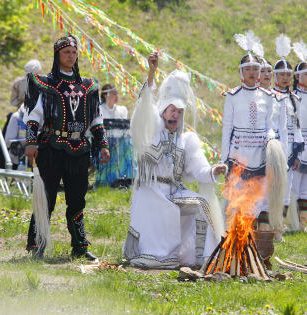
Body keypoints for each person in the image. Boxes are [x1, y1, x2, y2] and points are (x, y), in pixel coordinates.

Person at [123, 52, 227, 269]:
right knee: (168, 209)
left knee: (201, 204)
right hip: (150, 190)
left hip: (173, 189)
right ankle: (157, 255)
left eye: (180, 112)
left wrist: (212, 170)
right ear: (163, 110)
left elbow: (199, 169)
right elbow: (143, 107)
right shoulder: (153, 126)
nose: (176, 115)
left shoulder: (186, 139)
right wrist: (151, 74)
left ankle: (202, 258)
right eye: (172, 110)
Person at [23, 35, 110, 260]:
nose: (71, 56)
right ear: (57, 55)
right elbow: (34, 116)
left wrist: (102, 144)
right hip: (52, 149)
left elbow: (96, 119)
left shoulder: (88, 86)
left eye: (74, 52)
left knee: (77, 199)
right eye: (66, 52)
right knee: (47, 197)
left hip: (79, 148)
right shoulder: (47, 83)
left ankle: (80, 246)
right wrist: (31, 142)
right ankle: (37, 244)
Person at [221, 31, 287, 239]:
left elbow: (270, 126)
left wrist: (271, 142)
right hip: (239, 154)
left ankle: (256, 244)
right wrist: (225, 159)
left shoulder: (269, 97)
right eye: (247, 69)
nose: (252, 72)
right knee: (238, 198)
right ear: (241, 72)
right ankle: (236, 241)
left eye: (255, 69)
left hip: (260, 154)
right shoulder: (232, 96)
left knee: (258, 200)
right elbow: (227, 129)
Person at [272, 35, 304, 229]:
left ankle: (280, 225)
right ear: (275, 75)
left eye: (288, 74)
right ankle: (270, 223)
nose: (285, 78)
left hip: (291, 148)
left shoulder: (294, 98)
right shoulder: (269, 97)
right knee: (275, 186)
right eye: (281, 74)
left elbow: (297, 126)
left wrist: (297, 151)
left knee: (287, 188)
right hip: (275, 147)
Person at [0, 60, 42, 169]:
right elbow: (13, 100)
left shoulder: (42, 83)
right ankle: (5, 166)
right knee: (7, 139)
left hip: (36, 115)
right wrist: (24, 104)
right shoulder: (20, 82)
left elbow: (13, 100)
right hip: (20, 115)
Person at [290, 41, 307, 231]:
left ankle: (303, 223)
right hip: (297, 145)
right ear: (298, 76)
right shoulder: (293, 97)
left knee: (306, 187)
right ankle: (292, 221)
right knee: (294, 185)